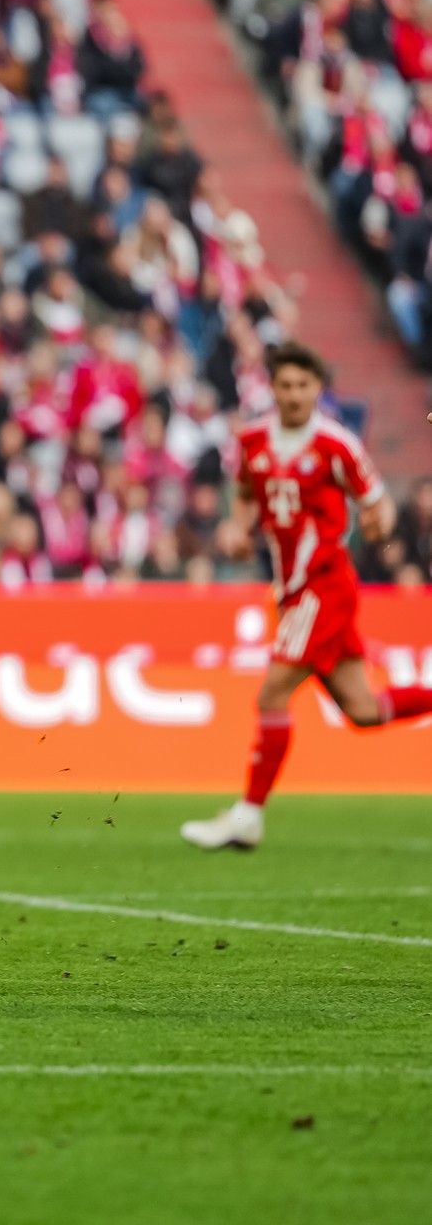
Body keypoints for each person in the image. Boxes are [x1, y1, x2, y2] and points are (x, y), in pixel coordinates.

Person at [181, 345, 431, 850]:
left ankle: (248, 815)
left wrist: (380, 524)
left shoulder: (336, 445)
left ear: (318, 389)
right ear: (272, 388)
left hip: (325, 583)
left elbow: (377, 501)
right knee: (362, 709)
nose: (294, 395)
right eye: (286, 385)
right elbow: (246, 495)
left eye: (303, 386)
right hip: (292, 591)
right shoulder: (252, 441)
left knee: (272, 694)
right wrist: (236, 527)